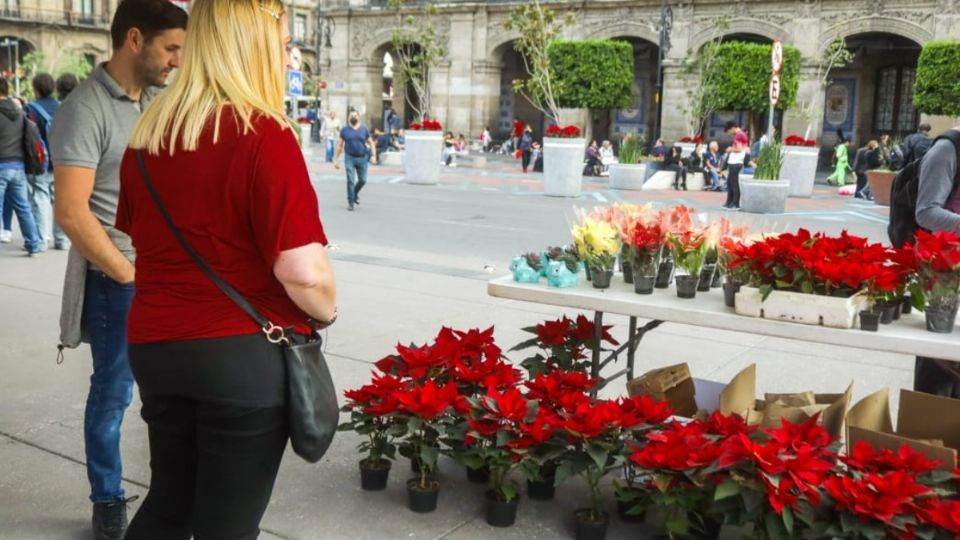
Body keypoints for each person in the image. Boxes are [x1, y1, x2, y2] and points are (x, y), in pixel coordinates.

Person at [116, 1, 336, 537]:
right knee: (227, 526)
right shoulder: (264, 134)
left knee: (169, 504)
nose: (291, 55)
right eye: (284, 43)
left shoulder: (147, 137)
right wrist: (327, 309)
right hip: (240, 357)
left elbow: (137, 237)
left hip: (156, 345)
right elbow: (303, 273)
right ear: (255, 47)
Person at [49, 1, 187, 538]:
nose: (177, 60)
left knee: (173, 392)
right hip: (120, 282)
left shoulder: (158, 100)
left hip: (170, 274)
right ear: (135, 39)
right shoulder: (84, 110)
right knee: (113, 395)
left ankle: (170, 493)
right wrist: (129, 275)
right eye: (170, 48)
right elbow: (70, 212)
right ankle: (107, 499)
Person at [914, 125, 960, 398]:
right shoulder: (947, 149)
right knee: (939, 367)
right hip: (946, 274)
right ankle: (928, 436)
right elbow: (926, 212)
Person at [24, 72, 69, 251]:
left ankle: (42, 240)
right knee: (59, 199)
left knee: (40, 198)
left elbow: (27, 137)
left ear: (36, 89)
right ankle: (61, 240)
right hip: (61, 159)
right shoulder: (63, 107)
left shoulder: (30, 109)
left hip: (40, 161)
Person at [0, 78, 43, 256]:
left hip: (1, 165)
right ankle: (34, 244)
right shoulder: (19, 112)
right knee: (23, 207)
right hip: (18, 166)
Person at [334, 110, 375, 211]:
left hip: (363, 158)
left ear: (358, 117)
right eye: (351, 115)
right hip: (349, 158)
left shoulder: (364, 129)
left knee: (363, 180)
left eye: (355, 115)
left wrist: (374, 155)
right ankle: (350, 202)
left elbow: (371, 143)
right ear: (348, 118)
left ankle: (355, 193)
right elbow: (339, 145)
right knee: (350, 180)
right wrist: (336, 160)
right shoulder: (344, 130)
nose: (353, 117)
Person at [724, 131, 750, 209]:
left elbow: (739, 148)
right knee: (730, 182)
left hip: (736, 163)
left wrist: (730, 149)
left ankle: (735, 202)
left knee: (734, 183)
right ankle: (729, 201)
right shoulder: (740, 140)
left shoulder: (739, 139)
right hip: (733, 163)